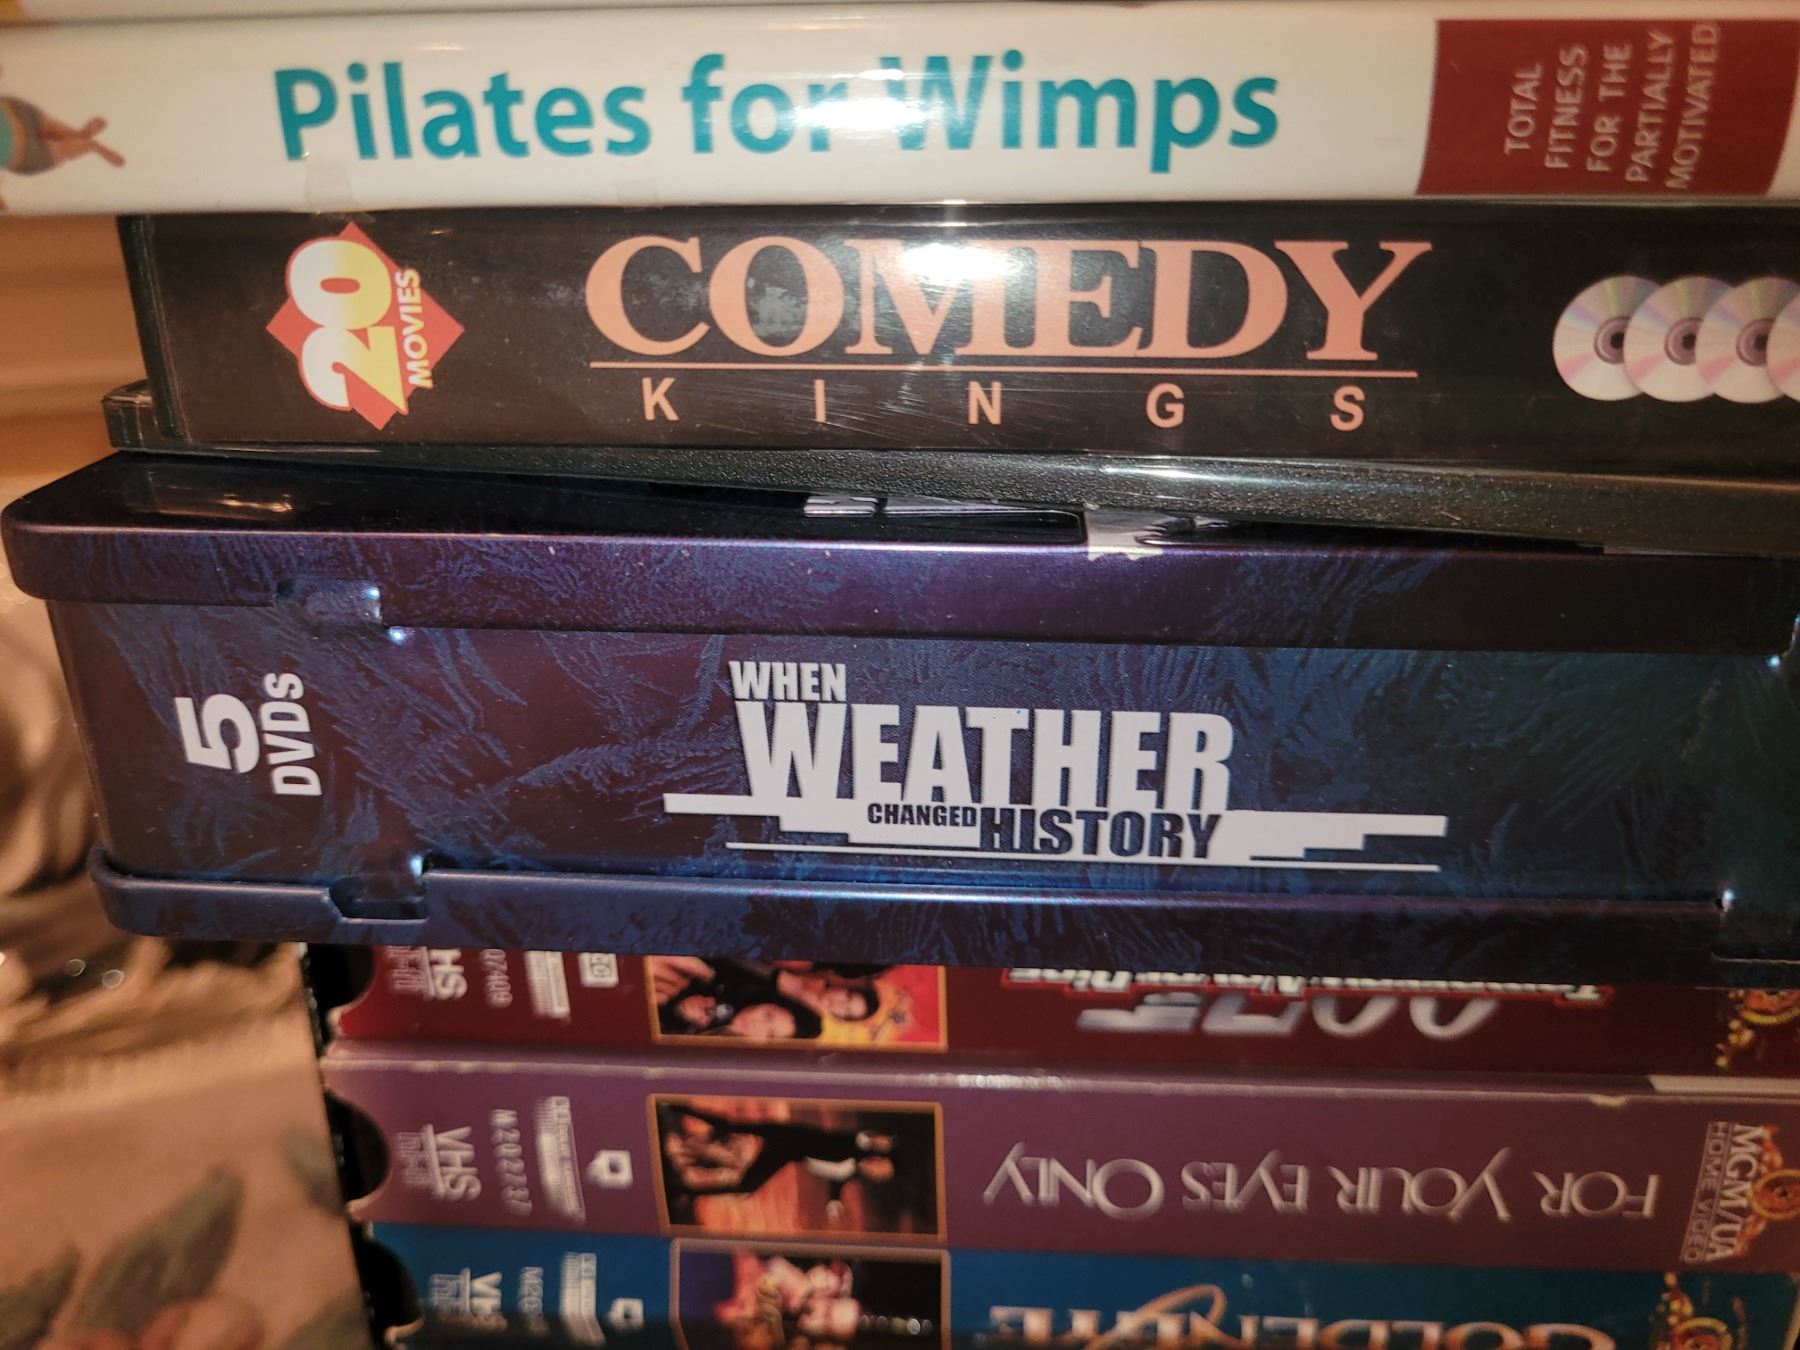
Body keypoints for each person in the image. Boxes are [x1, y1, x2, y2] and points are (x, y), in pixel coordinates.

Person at [661, 1102, 899, 1220]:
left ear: (876, 1178)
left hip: (785, 1152)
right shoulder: (855, 1145)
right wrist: (876, 1140)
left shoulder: (851, 1172)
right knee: (728, 1126)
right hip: (786, 1136)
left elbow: (838, 1177)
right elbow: (856, 1139)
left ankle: (684, 1190)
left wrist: (834, 1199)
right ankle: (676, 1107)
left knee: (747, 1185)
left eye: (880, 1172)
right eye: (880, 1163)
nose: (876, 1167)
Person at [0, 84, 124, 208]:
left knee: (51, 132)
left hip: (16, 121)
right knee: (58, 145)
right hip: (23, 147)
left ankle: (83, 137)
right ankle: (88, 142)